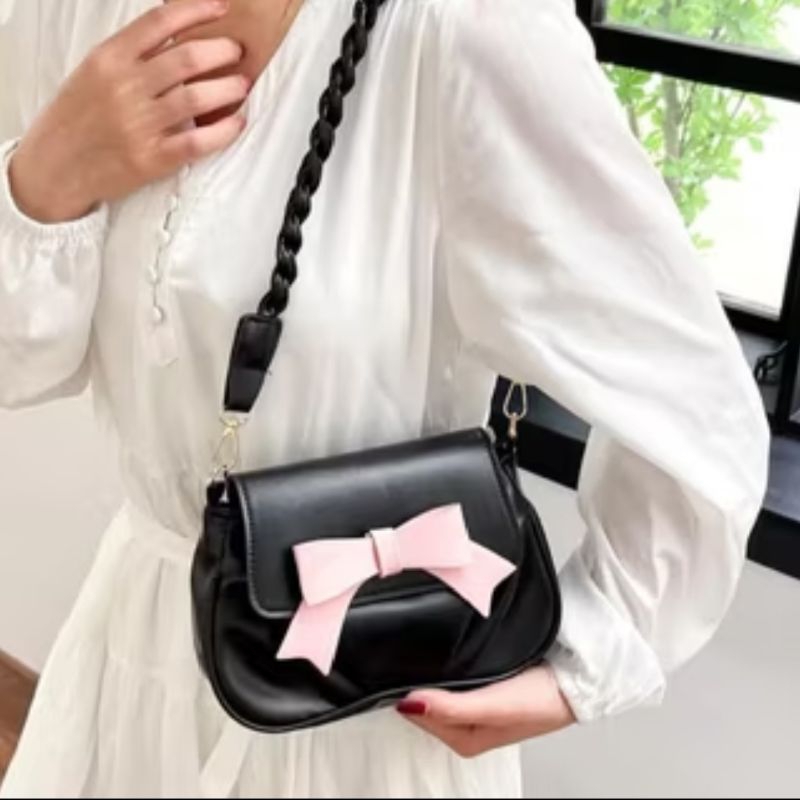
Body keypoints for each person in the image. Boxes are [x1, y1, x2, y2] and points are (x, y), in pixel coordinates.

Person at [0, 0, 769, 797]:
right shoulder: (75, 12)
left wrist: (589, 655)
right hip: (134, 655)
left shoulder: (469, 29)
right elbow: (22, 366)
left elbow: (696, 397)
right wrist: (46, 173)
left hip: (368, 708)